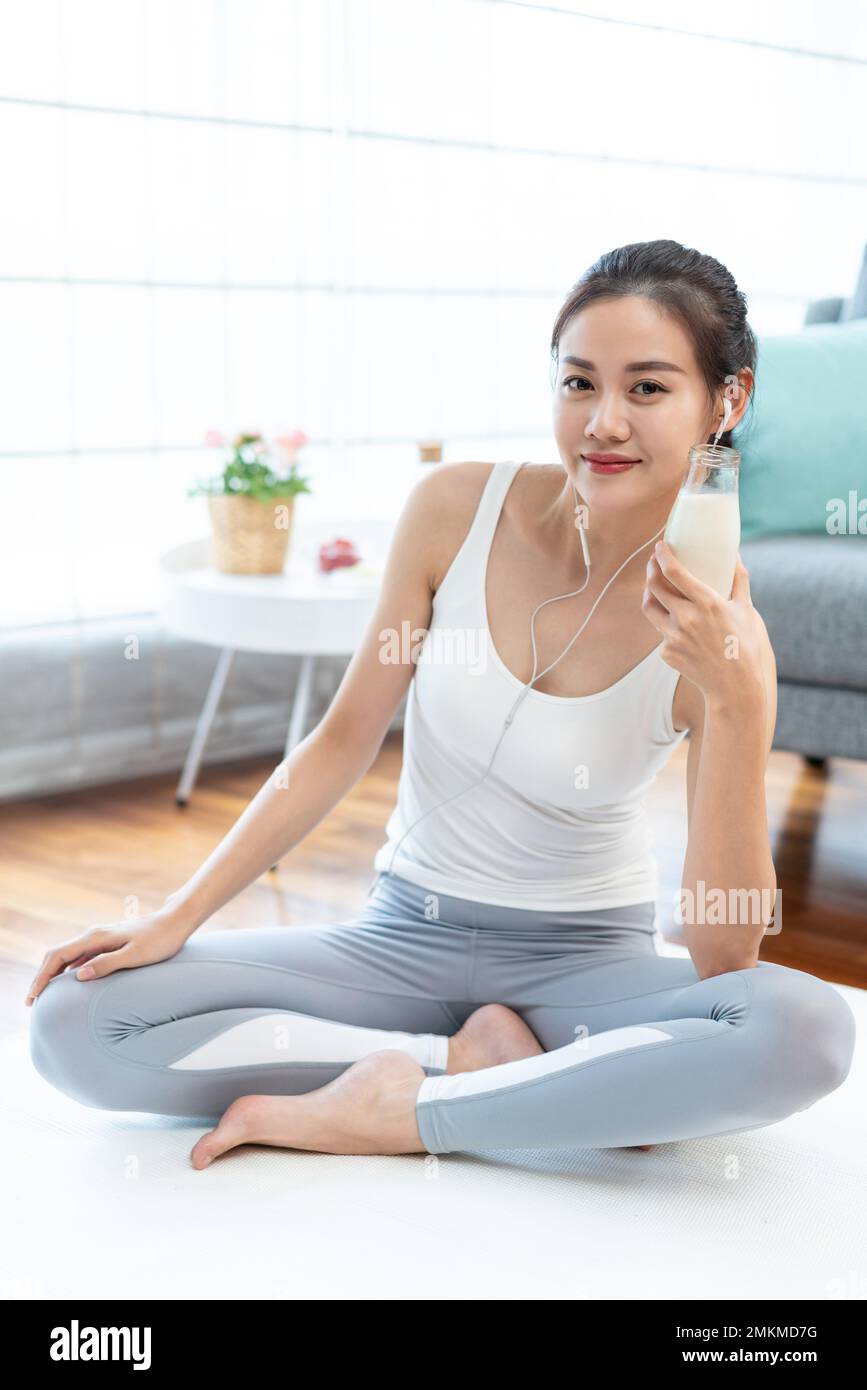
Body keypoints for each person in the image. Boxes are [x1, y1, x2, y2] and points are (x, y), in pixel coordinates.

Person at [27, 239, 855, 1169]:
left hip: (583, 964)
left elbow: (722, 961)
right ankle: (466, 1068)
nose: (603, 423)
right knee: (78, 1021)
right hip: (398, 938)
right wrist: (174, 918)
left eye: (648, 389)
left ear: (727, 400)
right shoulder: (454, 509)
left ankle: (405, 1115)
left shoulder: (725, 632)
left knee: (803, 1029)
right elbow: (339, 743)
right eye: (579, 383)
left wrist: (738, 701)